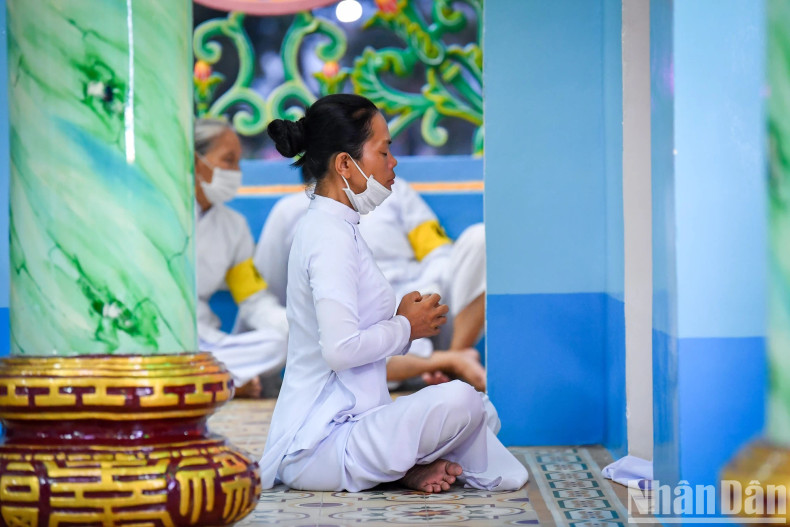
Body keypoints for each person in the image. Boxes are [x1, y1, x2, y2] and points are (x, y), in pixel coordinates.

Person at [259, 94, 527, 493]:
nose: (393, 161)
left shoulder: (341, 227)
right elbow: (340, 350)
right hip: (320, 443)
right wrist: (405, 327)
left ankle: (403, 468)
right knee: (461, 404)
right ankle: (402, 466)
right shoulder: (327, 237)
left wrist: (400, 320)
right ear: (345, 165)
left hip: (357, 425)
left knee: (474, 407)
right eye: (383, 151)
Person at [255, 171, 486, 391]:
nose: (392, 162)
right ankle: (445, 362)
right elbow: (267, 292)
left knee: (480, 240)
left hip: (426, 317)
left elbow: (438, 253)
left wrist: (424, 297)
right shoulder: (289, 212)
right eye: (383, 151)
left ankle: (455, 360)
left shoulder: (396, 193)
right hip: (356, 333)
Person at [194, 118, 288, 397]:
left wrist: (298, 327)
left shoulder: (234, 227)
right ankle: (226, 381)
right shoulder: (161, 213)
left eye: (238, 162)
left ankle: (219, 381)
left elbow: (253, 301)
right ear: (196, 162)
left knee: (279, 343)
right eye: (228, 160)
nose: (236, 172)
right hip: (161, 336)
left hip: (210, 344)